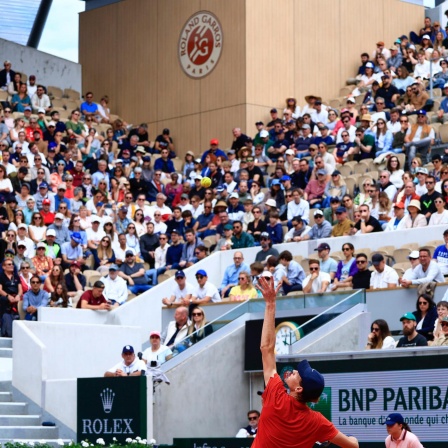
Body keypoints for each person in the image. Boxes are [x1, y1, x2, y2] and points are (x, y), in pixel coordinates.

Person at [252, 276, 359, 448]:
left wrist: (270, 304)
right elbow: (352, 446)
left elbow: (266, 348)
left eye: (298, 374)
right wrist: (354, 439)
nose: (294, 371)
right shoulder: (317, 422)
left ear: (299, 388)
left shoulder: (276, 397)